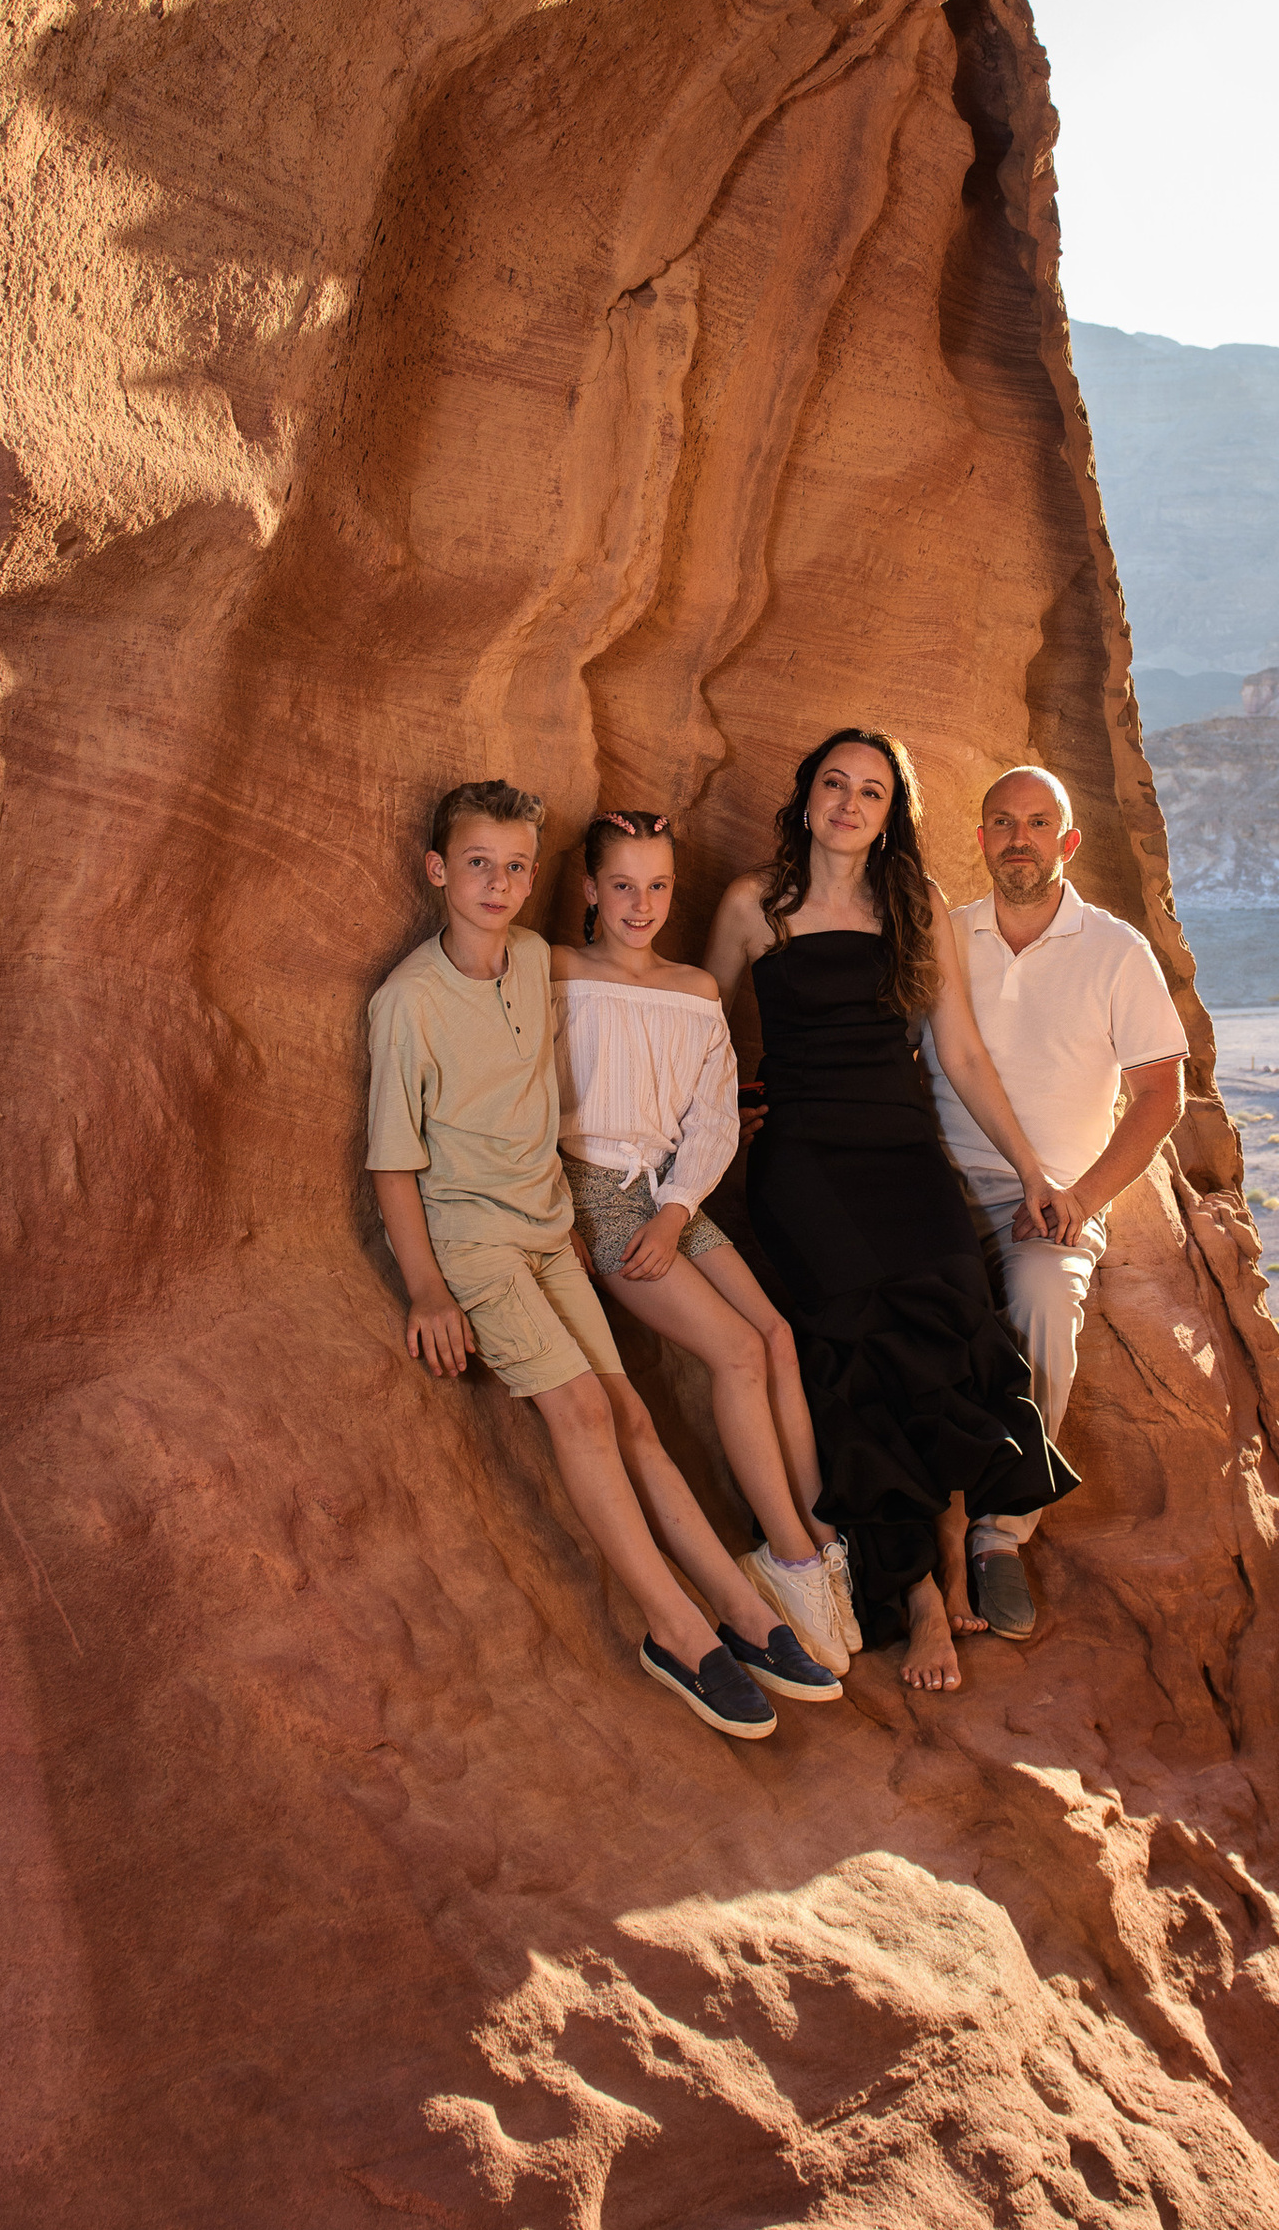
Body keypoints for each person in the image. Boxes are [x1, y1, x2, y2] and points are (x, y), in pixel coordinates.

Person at [365, 777, 840, 1740]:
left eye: (511, 868)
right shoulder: (408, 1001)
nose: (496, 885)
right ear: (436, 872)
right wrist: (424, 1286)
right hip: (477, 1243)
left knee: (631, 1415)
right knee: (584, 1411)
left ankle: (747, 1612)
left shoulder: (534, 960)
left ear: (536, 880)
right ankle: (678, 1632)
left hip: (551, 1227)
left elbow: (607, 1074)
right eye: (475, 866)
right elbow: (392, 1160)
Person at [705, 727, 1080, 1699]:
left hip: (902, 1149)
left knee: (955, 1303)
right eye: (834, 783)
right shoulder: (754, 905)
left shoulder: (913, 907)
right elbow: (698, 1031)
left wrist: (1031, 1172)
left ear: (889, 816)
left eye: (871, 792)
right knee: (864, 1337)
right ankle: (916, 1591)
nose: (848, 803)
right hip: (805, 1164)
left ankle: (952, 1549)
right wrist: (726, 1107)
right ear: (806, 798)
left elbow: (958, 1054)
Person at [552, 808, 854, 1670]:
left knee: (777, 1337)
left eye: (657, 887)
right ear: (588, 889)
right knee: (735, 1353)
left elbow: (714, 1117)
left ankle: (820, 1543)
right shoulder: (557, 974)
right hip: (592, 1193)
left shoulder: (693, 990)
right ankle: (788, 1562)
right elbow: (522, 1096)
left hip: (664, 1194)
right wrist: (561, 1212)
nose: (640, 904)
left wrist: (680, 1206)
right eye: (621, 885)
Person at [922, 763, 1188, 1645]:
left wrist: (1082, 1199)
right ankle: (908, 1534)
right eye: (1002, 823)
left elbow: (1160, 1095)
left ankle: (1003, 1533)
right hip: (940, 1184)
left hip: (1058, 1202)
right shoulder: (947, 938)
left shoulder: (1115, 950)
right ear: (982, 839)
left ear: (1068, 843)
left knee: (1040, 1301)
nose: (1019, 839)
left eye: (1038, 823)